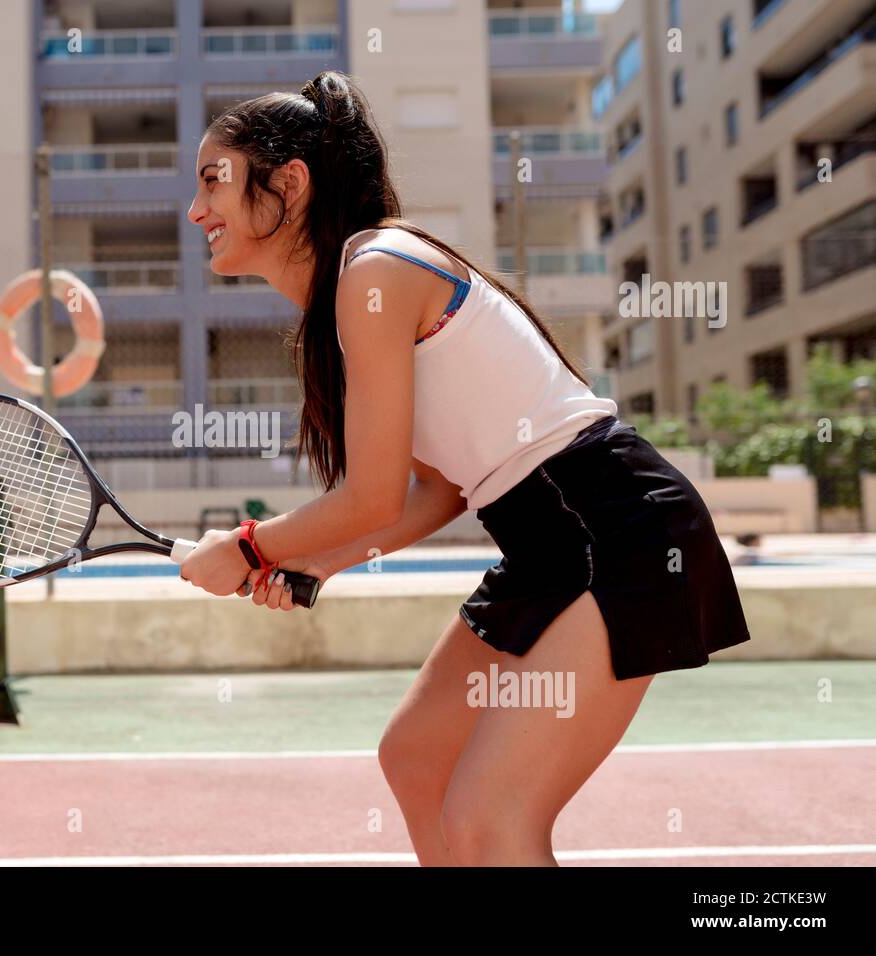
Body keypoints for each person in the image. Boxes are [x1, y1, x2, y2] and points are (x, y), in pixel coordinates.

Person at [180, 70, 752, 866]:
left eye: (214, 181)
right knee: (415, 760)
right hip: (547, 542)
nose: (196, 209)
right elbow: (436, 490)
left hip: (620, 527)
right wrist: (315, 562)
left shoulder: (374, 270)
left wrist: (247, 546)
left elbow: (371, 494)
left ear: (290, 184)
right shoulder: (347, 300)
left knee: (491, 820)